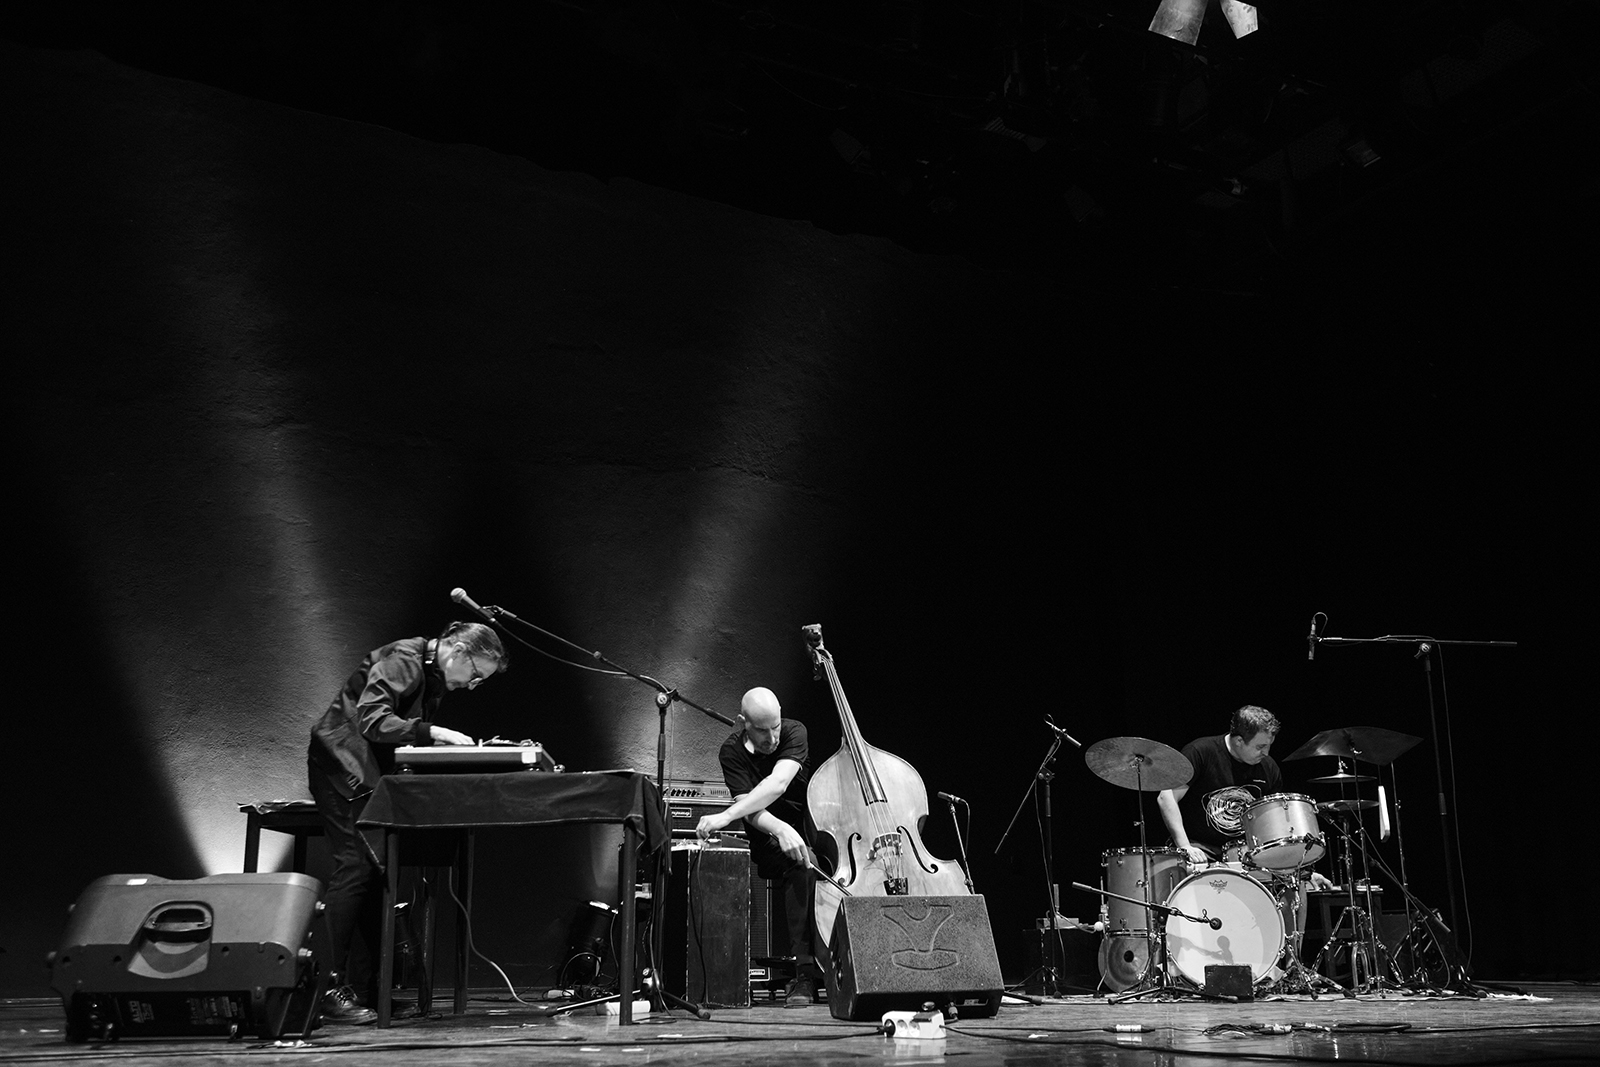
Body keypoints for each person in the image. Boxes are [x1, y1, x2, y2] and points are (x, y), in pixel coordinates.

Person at [306, 621, 507, 1023]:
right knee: (355, 867)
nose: (472, 685)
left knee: (379, 874)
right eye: (476, 675)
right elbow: (371, 721)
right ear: (458, 651)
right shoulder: (405, 659)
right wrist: (437, 732)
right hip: (341, 769)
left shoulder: (431, 676)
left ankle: (365, 990)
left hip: (368, 775)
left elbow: (401, 736)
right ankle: (324, 988)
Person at [694, 687, 820, 1007]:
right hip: (767, 837)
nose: (772, 737)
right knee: (803, 865)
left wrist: (724, 816)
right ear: (743, 722)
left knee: (820, 859)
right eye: (762, 730)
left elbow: (777, 784)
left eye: (774, 726)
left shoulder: (795, 732)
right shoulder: (731, 752)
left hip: (813, 827)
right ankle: (804, 974)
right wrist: (779, 829)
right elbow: (751, 810)